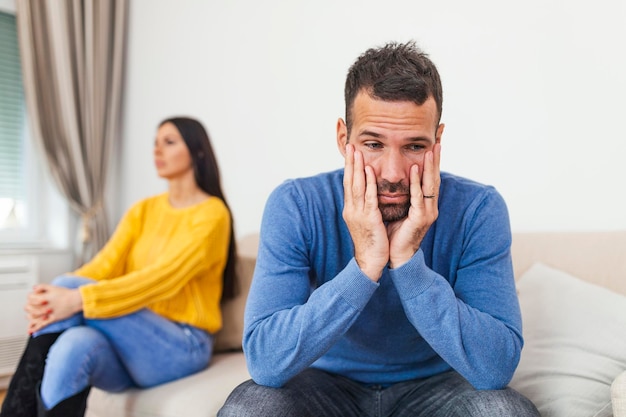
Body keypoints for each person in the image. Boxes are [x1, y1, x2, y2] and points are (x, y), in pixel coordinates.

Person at [218, 41, 539, 417]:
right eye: (373, 143)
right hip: (323, 385)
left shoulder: (478, 209)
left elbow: (495, 368)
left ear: (437, 142)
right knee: (250, 408)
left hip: (438, 387)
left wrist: (407, 261)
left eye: (415, 146)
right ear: (344, 139)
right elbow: (266, 362)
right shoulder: (296, 205)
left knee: (502, 411)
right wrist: (366, 264)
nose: (392, 173)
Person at [0, 116, 237, 417]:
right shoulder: (143, 210)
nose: (156, 150)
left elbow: (160, 279)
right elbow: (103, 265)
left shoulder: (213, 214)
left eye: (169, 142)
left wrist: (75, 297)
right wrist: (55, 293)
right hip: (132, 346)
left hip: (182, 345)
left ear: (197, 151)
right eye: (154, 142)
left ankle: (12, 411)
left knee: (71, 290)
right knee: (72, 344)